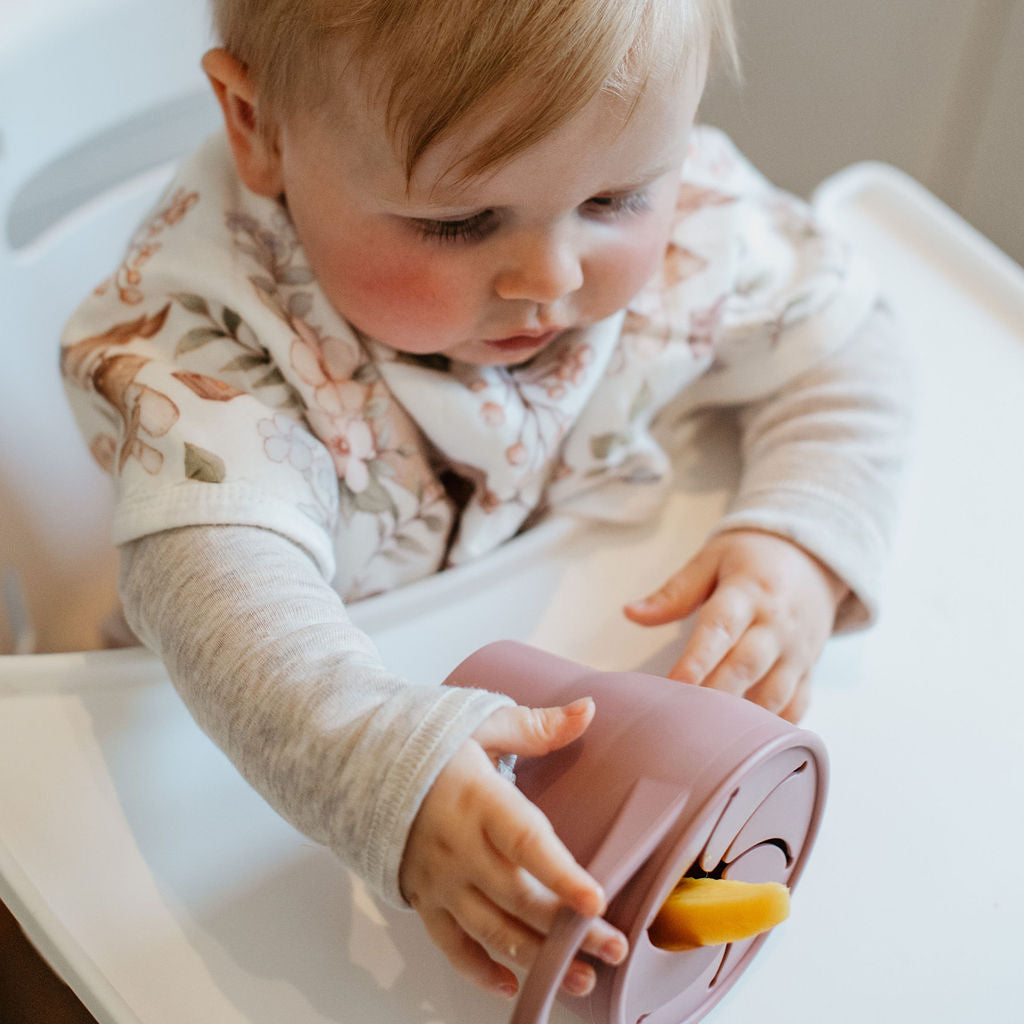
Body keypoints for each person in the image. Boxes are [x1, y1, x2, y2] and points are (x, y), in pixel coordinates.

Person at [60, 0, 909, 1002]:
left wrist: (800, 538)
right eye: (458, 221)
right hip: (237, 757)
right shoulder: (215, 341)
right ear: (261, 131)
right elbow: (213, 589)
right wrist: (377, 765)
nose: (549, 279)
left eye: (617, 202)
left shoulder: (684, 225)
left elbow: (848, 338)